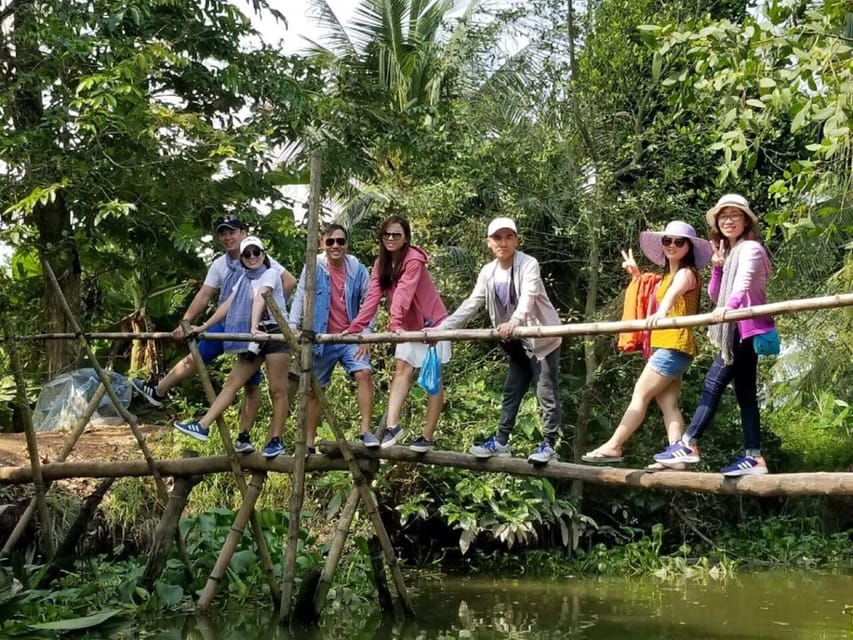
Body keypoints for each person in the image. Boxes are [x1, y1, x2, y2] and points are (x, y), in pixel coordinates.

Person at [131, 215, 296, 434]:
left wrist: (270, 306)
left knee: (254, 386)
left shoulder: (264, 263)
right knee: (199, 357)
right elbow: (207, 295)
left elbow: (288, 282)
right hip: (228, 323)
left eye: (232, 232)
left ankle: (245, 436)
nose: (228, 237)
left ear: (244, 233)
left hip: (261, 330)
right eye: (223, 233)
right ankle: (160, 391)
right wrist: (189, 321)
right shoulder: (224, 266)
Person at [654, 194, 775, 476]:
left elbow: (743, 286)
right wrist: (718, 269)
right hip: (735, 326)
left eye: (735, 215)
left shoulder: (751, 250)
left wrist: (727, 308)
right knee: (745, 393)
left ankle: (688, 443)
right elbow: (713, 295)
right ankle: (754, 457)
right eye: (723, 216)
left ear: (746, 220)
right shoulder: (729, 254)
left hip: (742, 327)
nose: (728, 220)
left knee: (712, 384)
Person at [581, 221, 713, 467]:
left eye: (678, 241)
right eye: (667, 241)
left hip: (673, 345)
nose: (672, 245)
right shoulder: (668, 276)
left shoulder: (686, 273)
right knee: (668, 404)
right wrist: (635, 275)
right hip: (673, 347)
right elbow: (655, 289)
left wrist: (661, 313)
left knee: (640, 395)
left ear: (689, 247)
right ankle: (679, 456)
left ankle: (614, 445)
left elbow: (672, 295)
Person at [435, 217, 563, 465]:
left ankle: (549, 445)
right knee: (511, 390)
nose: (503, 242)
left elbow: (528, 296)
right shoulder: (488, 272)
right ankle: (502, 441)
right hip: (514, 343)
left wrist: (514, 322)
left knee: (545, 391)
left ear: (516, 240)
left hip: (540, 339)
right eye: (497, 238)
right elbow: (473, 303)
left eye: (508, 237)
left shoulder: (528, 264)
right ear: (489, 243)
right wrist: (444, 328)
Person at [173, 236, 292, 458]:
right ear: (243, 259)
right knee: (233, 383)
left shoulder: (271, 273)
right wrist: (205, 326)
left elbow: (261, 298)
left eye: (256, 252)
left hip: (274, 333)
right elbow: (228, 303)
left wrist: (254, 327)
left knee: (277, 389)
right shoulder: (243, 278)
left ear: (263, 255)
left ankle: (276, 439)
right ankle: (203, 425)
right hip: (256, 336)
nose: (252, 257)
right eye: (247, 254)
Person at [345, 215, 449, 452]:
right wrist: (357, 326)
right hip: (407, 327)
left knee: (433, 376)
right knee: (401, 369)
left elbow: (404, 292)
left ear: (406, 238)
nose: (391, 239)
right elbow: (372, 297)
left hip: (432, 323)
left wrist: (395, 324)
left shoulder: (413, 260)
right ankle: (392, 425)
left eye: (396, 235)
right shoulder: (381, 264)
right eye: (386, 235)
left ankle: (427, 436)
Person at [288, 224, 377, 455]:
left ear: (346, 244)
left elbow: (369, 302)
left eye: (340, 241)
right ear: (322, 244)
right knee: (316, 390)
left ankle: (366, 431)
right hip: (322, 337)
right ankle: (308, 443)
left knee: (364, 373)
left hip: (350, 335)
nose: (335, 246)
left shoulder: (357, 269)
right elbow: (300, 295)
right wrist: (291, 327)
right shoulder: (314, 266)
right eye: (330, 242)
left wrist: (366, 334)